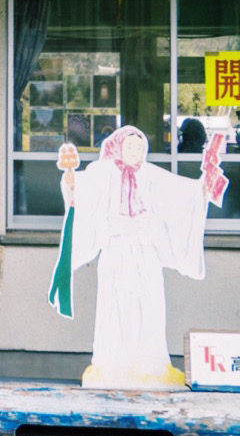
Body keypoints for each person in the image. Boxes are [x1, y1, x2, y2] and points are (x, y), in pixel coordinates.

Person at [48, 125, 229, 388]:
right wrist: (70, 180)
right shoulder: (104, 171)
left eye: (140, 147)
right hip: (116, 249)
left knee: (150, 303)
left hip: (146, 251)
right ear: (119, 146)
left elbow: (179, 193)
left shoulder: (151, 174)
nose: (135, 151)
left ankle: (150, 363)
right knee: (115, 304)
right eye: (130, 146)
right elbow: (81, 188)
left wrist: (202, 186)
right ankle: (113, 362)